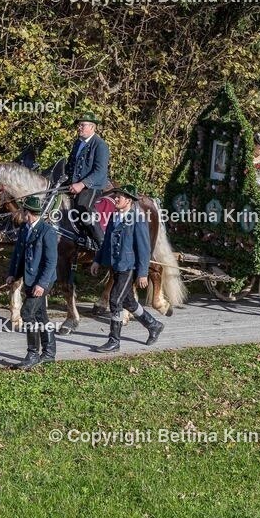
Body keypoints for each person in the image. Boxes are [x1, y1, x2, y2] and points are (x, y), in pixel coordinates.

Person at [90, 185, 163, 353]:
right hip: (115, 265)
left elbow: (144, 249)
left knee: (115, 300)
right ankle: (154, 325)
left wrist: (143, 273)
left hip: (128, 266)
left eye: (119, 197)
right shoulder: (114, 217)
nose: (115, 199)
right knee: (129, 301)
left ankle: (114, 341)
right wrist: (97, 261)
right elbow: (106, 242)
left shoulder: (138, 219)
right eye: (116, 196)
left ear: (128, 200)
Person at [5, 195, 58, 369]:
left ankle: (32, 354)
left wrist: (42, 285)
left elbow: (51, 262)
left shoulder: (47, 231)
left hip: (43, 280)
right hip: (29, 279)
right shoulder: (24, 229)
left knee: (27, 314)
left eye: (24, 211)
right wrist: (13, 274)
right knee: (40, 315)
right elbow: (18, 255)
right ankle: (49, 353)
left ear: (31, 213)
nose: (22, 214)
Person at [65, 112, 110, 247]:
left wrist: (82, 184)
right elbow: (70, 166)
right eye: (79, 125)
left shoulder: (100, 145)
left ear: (92, 127)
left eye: (82, 125)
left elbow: (100, 171)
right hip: (73, 184)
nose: (79, 127)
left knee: (83, 208)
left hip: (93, 186)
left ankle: (100, 243)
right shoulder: (77, 143)